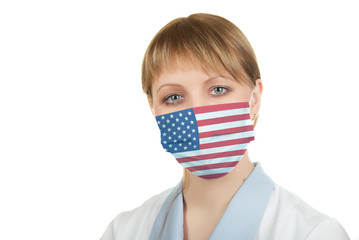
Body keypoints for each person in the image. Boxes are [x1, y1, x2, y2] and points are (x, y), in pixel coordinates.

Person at [101, 13, 350, 240]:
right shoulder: (123, 232)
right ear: (153, 107)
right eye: (174, 97)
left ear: (254, 98)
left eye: (218, 89)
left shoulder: (312, 233)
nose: (197, 113)